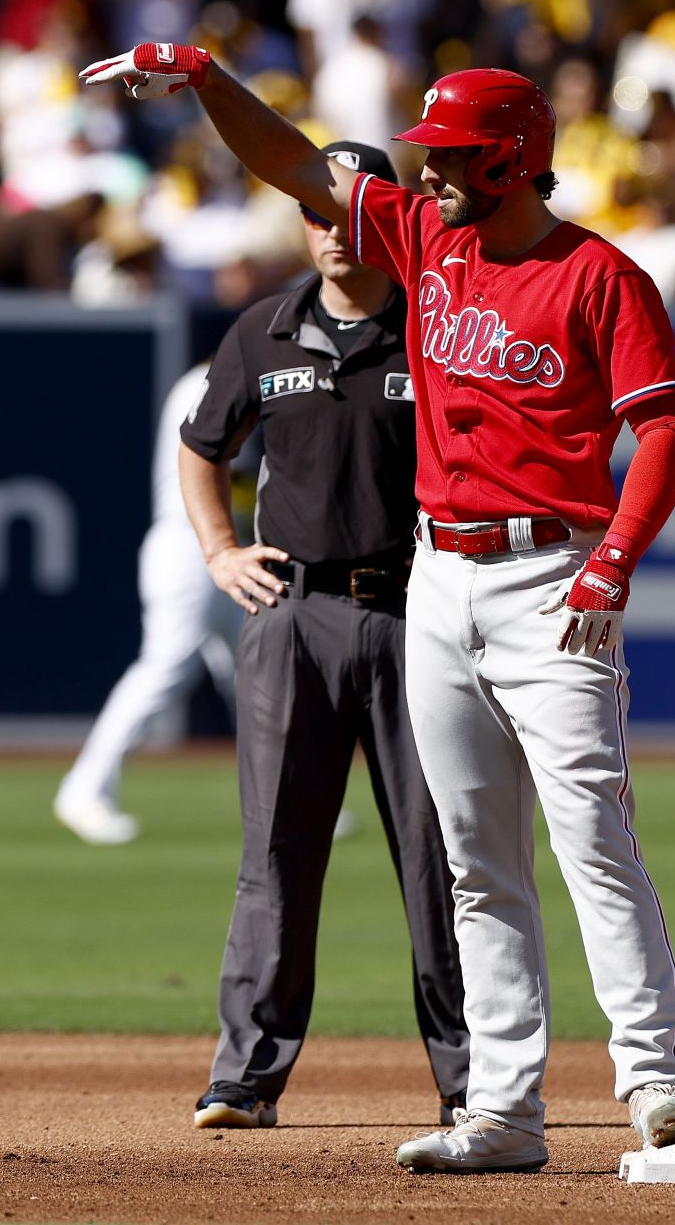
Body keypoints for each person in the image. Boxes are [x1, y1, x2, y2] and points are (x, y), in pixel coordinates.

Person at [83, 45, 675, 1172]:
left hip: (552, 572)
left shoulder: (601, 277)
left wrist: (615, 559)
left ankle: (655, 1080)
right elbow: (295, 168)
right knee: (474, 858)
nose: (428, 174)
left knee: (592, 838)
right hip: (438, 576)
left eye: (452, 157)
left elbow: (665, 433)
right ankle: (505, 1111)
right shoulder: (428, 237)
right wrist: (212, 78)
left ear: (512, 162)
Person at [174, 140, 469, 1131]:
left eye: (350, 207)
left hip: (414, 612)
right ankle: (245, 1075)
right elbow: (200, 445)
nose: (334, 226)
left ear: (385, 215)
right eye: (314, 207)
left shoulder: (438, 328)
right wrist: (220, 549)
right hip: (290, 615)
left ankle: (478, 1080)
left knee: (443, 855)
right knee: (276, 853)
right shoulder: (263, 330)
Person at [53, 361, 238, 845]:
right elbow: (225, 464)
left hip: (231, 545)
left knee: (256, 677)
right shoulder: (214, 379)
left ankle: (294, 796)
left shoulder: (234, 372)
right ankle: (84, 789)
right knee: (166, 667)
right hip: (191, 543)